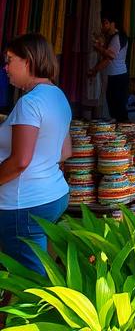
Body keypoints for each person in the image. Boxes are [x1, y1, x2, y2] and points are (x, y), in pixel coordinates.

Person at [0, 33, 72, 274]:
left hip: (24, 203)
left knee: (29, 282)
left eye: (10, 60)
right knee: (34, 269)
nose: (6, 67)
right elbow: (65, 151)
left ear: (27, 61)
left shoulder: (29, 103)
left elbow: (20, 161)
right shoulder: (58, 96)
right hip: (53, 194)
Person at [90, 14, 129, 121]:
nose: (103, 26)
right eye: (103, 23)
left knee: (118, 106)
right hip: (116, 75)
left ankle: (123, 130)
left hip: (118, 76)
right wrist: (96, 69)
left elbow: (110, 56)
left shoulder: (117, 37)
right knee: (114, 104)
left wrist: (99, 48)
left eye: (106, 23)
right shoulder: (114, 37)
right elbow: (108, 59)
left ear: (113, 24)